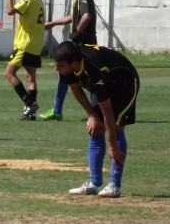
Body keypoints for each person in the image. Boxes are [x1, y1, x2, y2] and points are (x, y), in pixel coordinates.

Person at [53, 41, 139, 198]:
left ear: (74, 64)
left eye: (60, 66)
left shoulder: (94, 69)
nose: (56, 69)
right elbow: (76, 89)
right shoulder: (67, 66)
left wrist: (112, 145)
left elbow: (108, 113)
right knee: (96, 128)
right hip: (102, 84)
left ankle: (114, 185)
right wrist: (92, 115)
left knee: (116, 128)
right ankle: (93, 184)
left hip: (124, 84)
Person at [41, 0, 97, 121]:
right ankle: (58, 110)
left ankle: (95, 112)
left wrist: (77, 31)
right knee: (64, 72)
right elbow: (75, 16)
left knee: (89, 77)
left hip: (85, 44)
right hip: (80, 44)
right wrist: (54, 23)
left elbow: (86, 16)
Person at [5, 0, 45, 120]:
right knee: (30, 78)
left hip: (24, 44)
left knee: (9, 74)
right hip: (36, 45)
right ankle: (31, 114)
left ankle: (30, 104)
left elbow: (10, 11)